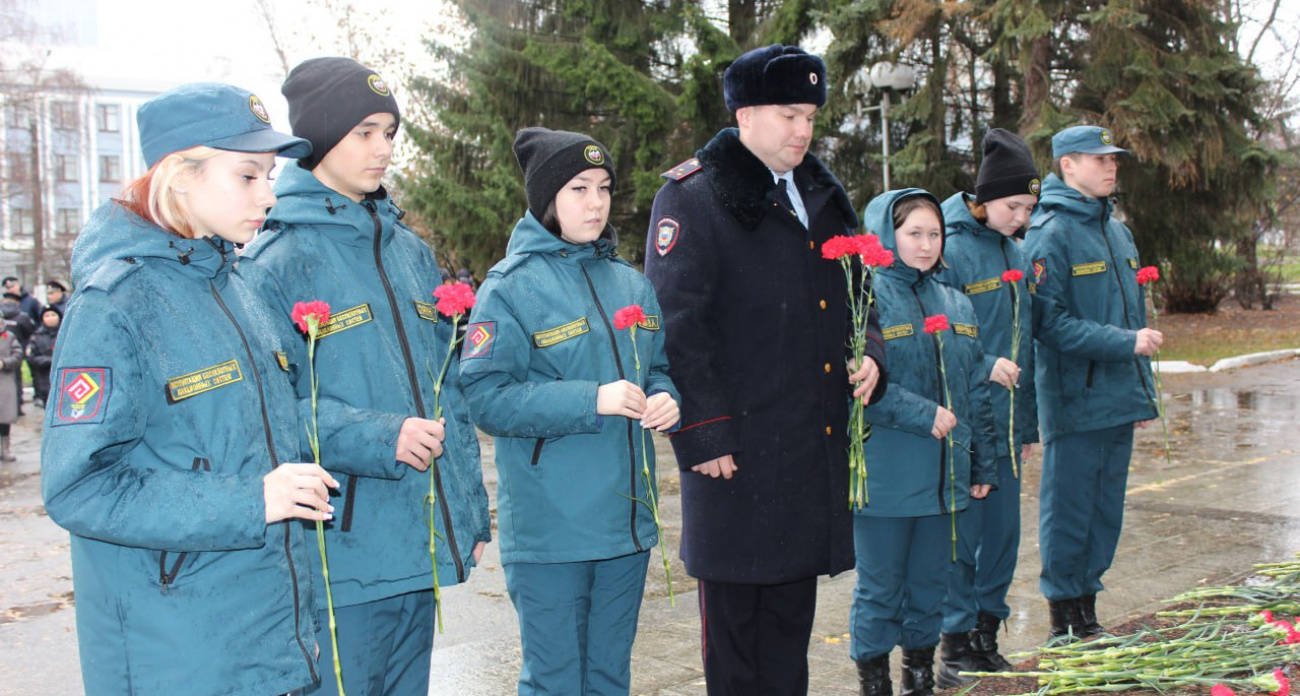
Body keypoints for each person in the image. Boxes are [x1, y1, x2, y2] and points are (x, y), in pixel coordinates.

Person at [39, 82, 335, 696]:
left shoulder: (237, 288)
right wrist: (250, 500)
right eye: (248, 176)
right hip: (178, 652)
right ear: (180, 176)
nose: (269, 194)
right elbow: (80, 485)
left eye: (271, 176)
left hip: (269, 631)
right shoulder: (114, 304)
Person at [240, 56, 492, 696]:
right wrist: (379, 436)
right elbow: (263, 414)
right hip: (341, 551)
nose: (383, 149)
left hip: (419, 541)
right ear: (321, 137)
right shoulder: (275, 257)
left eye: (390, 132)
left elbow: (448, 388)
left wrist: (470, 514)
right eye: (365, 132)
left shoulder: (407, 250)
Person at [643, 44, 888, 696]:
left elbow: (861, 297)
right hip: (737, 460)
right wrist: (706, 435)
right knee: (736, 648)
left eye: (809, 115)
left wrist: (872, 357)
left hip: (806, 455)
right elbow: (677, 328)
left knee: (787, 642)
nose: (803, 130)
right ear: (745, 114)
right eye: (788, 114)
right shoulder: (695, 198)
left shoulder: (820, 193)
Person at [460, 127, 681, 696]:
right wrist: (593, 398)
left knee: (609, 679)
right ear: (546, 199)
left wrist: (666, 397)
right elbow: (485, 396)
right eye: (578, 188)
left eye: (603, 188)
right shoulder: (510, 289)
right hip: (552, 531)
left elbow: (656, 367)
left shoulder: (632, 283)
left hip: (625, 528)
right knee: (556, 681)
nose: (596, 202)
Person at [849, 189, 997, 696]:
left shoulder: (956, 301)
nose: (926, 244)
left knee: (931, 590)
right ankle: (875, 684)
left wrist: (983, 465)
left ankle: (919, 679)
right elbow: (859, 385)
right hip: (887, 476)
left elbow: (976, 392)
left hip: (946, 480)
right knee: (880, 592)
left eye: (934, 233)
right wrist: (923, 414)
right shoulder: (863, 298)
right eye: (914, 232)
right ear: (887, 235)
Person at [1023, 125, 1160, 641]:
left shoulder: (1118, 232)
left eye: (1113, 160)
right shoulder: (1050, 232)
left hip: (1118, 396)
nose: (1110, 167)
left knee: (1106, 510)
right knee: (1070, 509)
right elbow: (1048, 323)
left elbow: (1133, 313)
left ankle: (1088, 609)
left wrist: (1141, 389)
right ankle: (1063, 616)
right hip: (1074, 397)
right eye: (1096, 158)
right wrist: (1126, 345)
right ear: (1067, 166)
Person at [934, 128, 1040, 681]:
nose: (1021, 217)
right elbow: (937, 338)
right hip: (967, 422)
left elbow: (1027, 340)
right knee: (964, 536)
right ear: (983, 197)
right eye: (1013, 205)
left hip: (1008, 423)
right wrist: (982, 364)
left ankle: (986, 632)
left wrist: (1030, 421)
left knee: (1003, 536)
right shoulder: (946, 248)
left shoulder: (1015, 250)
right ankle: (953, 642)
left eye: (1028, 208)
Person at [26, 305, 60, 408]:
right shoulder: (36, 337)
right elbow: (31, 357)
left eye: (53, 315)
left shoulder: (67, 334)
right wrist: (49, 361)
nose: (50, 318)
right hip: (45, 377)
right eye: (47, 316)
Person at [0, 324, 19, 461]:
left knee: (4, 416)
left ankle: (5, 449)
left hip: (4, 380)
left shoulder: (9, 337)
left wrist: (4, 363)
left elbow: (18, 355)